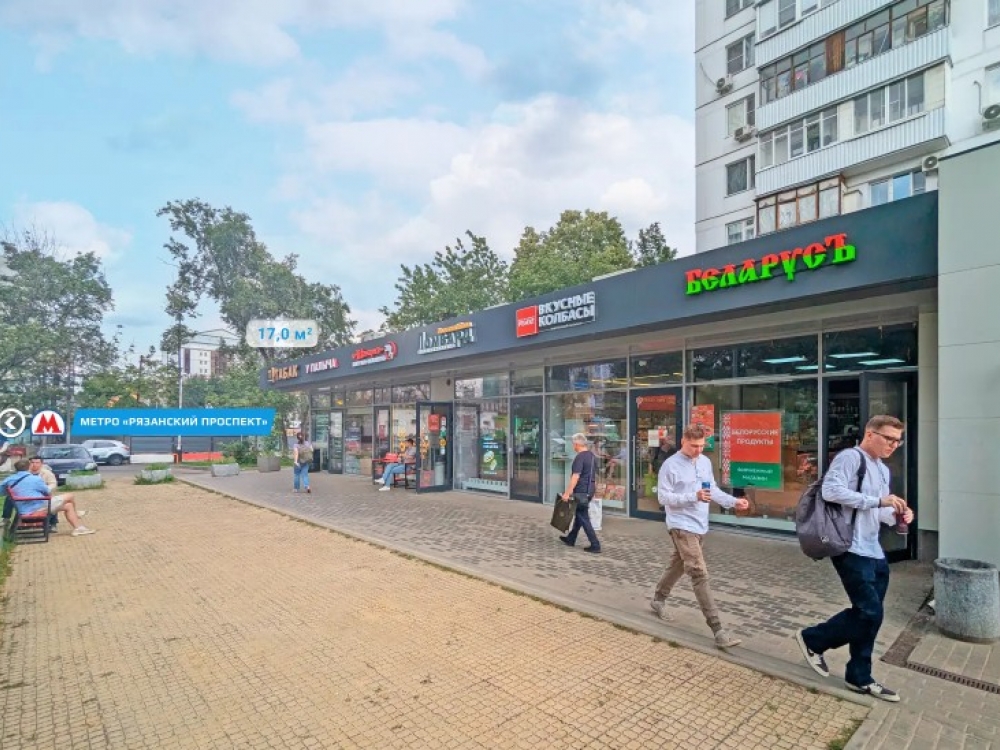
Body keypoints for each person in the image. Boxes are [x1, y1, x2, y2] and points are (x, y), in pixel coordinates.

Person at [794, 415, 913, 702]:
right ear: (870, 434)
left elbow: (878, 511)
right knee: (870, 611)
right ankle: (813, 639)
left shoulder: (882, 470)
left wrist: (897, 513)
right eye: (888, 438)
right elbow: (831, 491)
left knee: (869, 615)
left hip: (874, 549)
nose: (893, 445)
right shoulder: (850, 457)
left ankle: (860, 677)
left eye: (897, 441)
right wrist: (878, 500)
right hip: (849, 547)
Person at [651, 424, 748, 649]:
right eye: (693, 446)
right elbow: (663, 498)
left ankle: (658, 599)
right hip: (680, 525)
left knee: (678, 564)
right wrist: (692, 496)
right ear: (683, 441)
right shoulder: (670, 465)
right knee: (698, 572)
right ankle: (718, 630)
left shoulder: (704, 462)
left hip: (700, 525)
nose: (698, 450)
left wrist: (733, 502)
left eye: (702, 446)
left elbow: (711, 490)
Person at [1, 458, 95, 536]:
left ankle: (78, 528)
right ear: (29, 467)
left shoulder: (8, 480)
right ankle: (76, 514)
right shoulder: (35, 479)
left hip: (23, 509)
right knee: (70, 496)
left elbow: (2, 492)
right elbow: (47, 491)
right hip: (37, 508)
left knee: (68, 505)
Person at [558, 433, 601, 554]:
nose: (573, 446)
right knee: (579, 515)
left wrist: (567, 493)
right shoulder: (592, 456)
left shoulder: (580, 457)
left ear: (577, 444)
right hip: (589, 490)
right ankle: (571, 539)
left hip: (581, 491)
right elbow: (594, 475)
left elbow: (575, 477)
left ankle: (595, 544)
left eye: (573, 444)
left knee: (583, 517)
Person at [28, 455, 88, 531]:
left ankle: (74, 526)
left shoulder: (47, 473)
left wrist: (47, 489)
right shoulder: (27, 474)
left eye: (37, 462)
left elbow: (53, 484)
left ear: (41, 464)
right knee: (64, 499)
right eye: (32, 462)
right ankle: (76, 516)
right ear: (30, 463)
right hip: (36, 502)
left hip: (44, 496)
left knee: (64, 503)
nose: (34, 464)